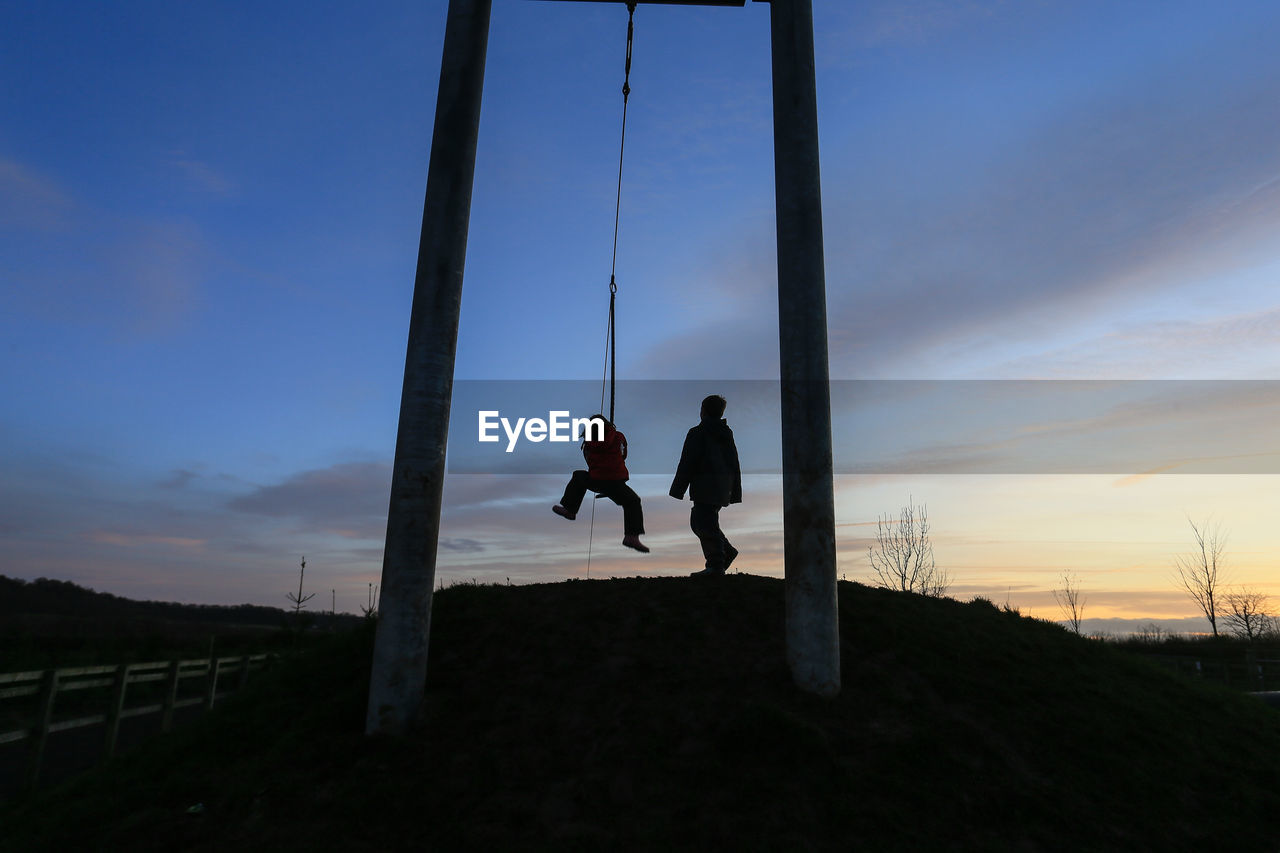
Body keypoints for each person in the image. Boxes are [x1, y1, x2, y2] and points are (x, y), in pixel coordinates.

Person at [552, 415, 649, 553]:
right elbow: (623, 455)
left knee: (578, 475)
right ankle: (631, 536)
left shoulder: (588, 443)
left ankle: (570, 509)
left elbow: (589, 461)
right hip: (616, 481)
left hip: (597, 480)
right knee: (632, 501)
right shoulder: (618, 436)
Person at [669, 395, 741, 577]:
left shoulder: (698, 432)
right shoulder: (726, 433)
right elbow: (735, 462)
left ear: (704, 411)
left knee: (703, 522)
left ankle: (716, 564)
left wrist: (678, 489)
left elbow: (687, 461)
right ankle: (725, 552)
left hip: (706, 485)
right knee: (703, 521)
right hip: (723, 485)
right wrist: (735, 490)